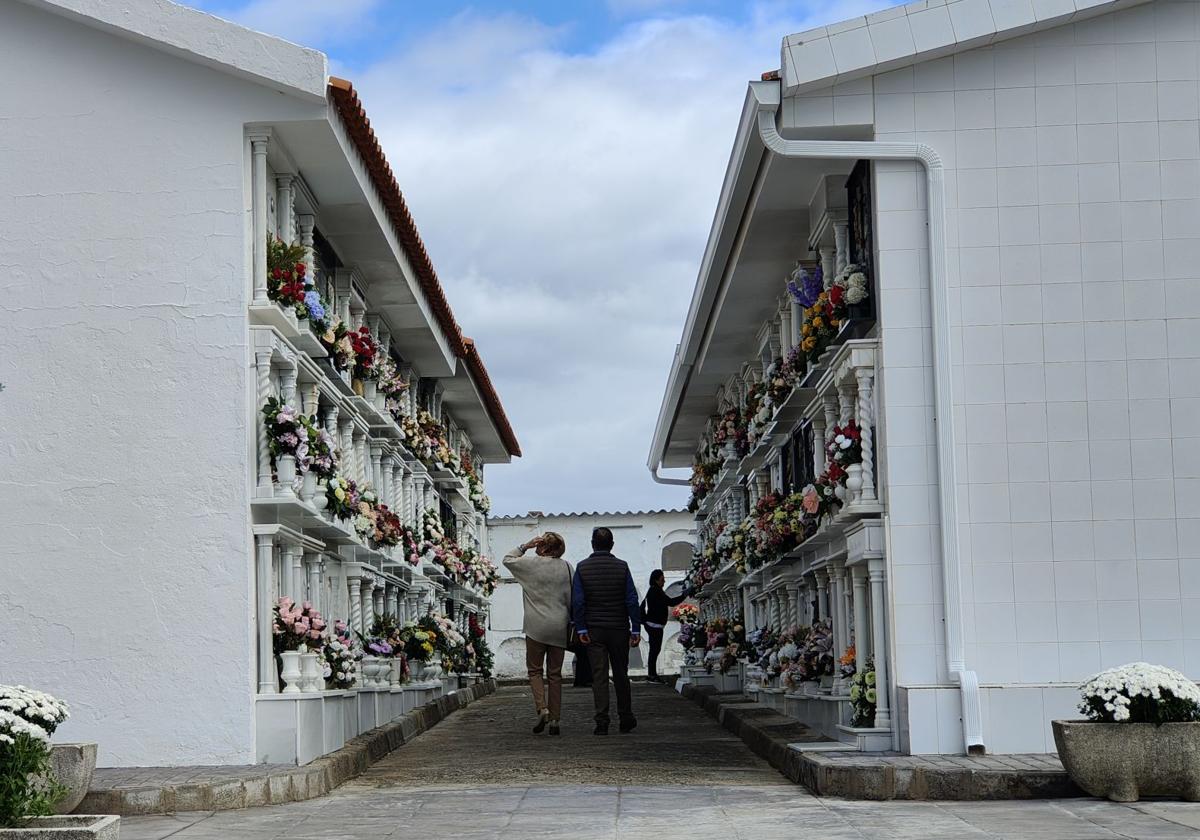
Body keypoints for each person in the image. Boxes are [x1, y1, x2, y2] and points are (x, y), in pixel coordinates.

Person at [571, 527, 641, 735]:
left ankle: (602, 721)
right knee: (621, 674)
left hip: (594, 630)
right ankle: (626, 717)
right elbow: (631, 599)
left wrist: (581, 627)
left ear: (592, 544)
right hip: (619, 628)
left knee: (599, 676)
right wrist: (635, 628)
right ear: (612, 545)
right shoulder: (622, 567)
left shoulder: (582, 568)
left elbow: (578, 601)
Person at [503, 532, 572, 736]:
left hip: (535, 626)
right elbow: (572, 597)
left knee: (535, 671)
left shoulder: (530, 565)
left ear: (541, 547)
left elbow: (507, 559)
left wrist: (525, 545)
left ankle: (542, 708)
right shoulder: (567, 567)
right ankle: (555, 721)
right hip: (559, 625)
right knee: (555, 675)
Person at [641, 570, 688, 682]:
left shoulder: (655, 591)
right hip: (654, 625)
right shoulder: (655, 591)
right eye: (662, 579)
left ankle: (652, 674)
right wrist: (684, 595)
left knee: (655, 649)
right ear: (656, 580)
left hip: (654, 625)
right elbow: (671, 602)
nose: (664, 581)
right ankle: (652, 675)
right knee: (654, 649)